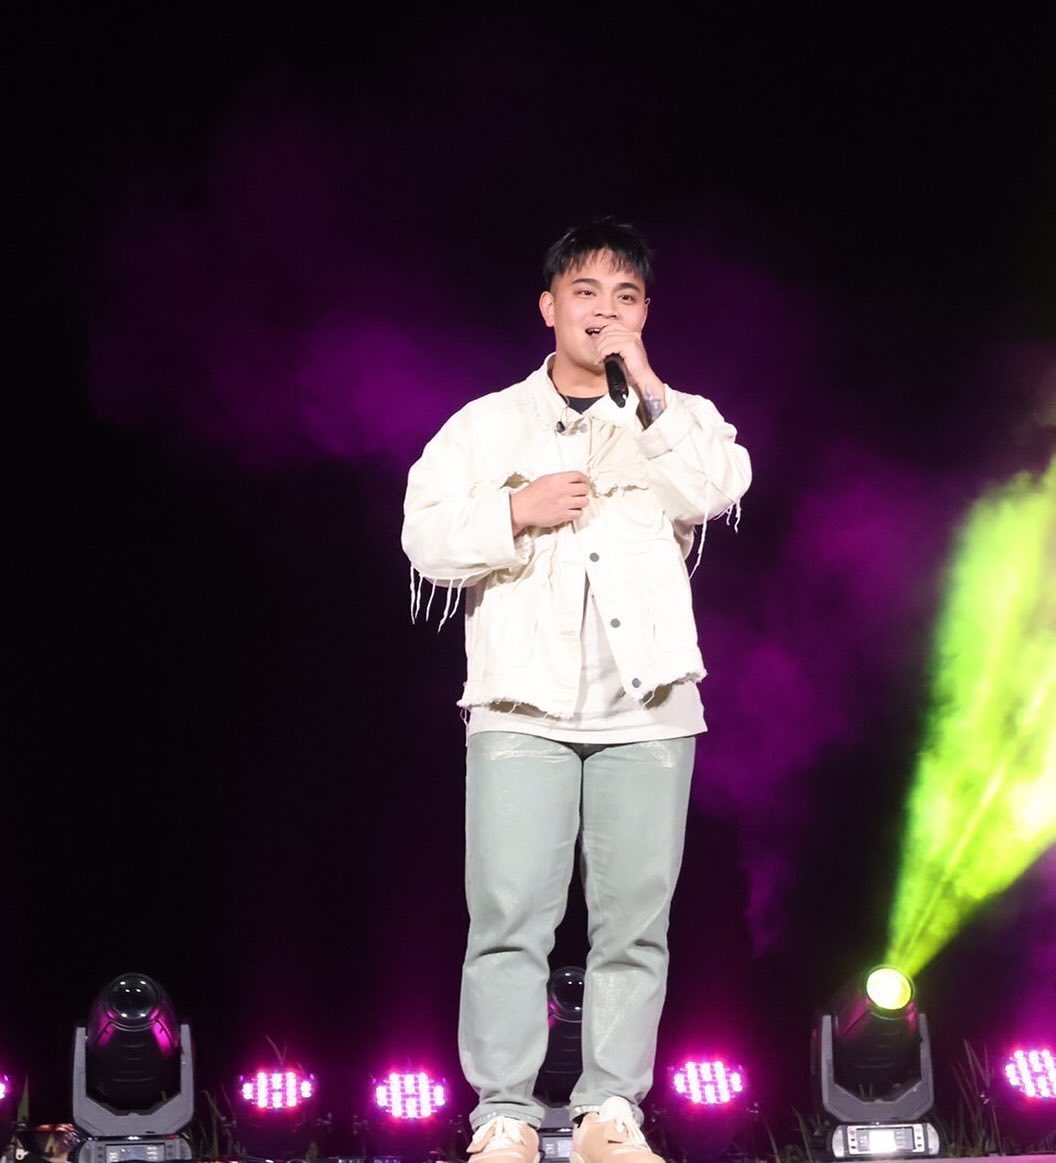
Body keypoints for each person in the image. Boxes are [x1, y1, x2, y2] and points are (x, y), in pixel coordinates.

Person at [401, 218, 751, 1163]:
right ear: (549, 307)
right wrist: (515, 509)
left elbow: (716, 486)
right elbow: (423, 535)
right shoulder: (486, 425)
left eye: (625, 297)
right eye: (586, 292)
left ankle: (609, 1113)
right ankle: (504, 1115)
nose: (604, 311)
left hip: (649, 707)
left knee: (635, 924)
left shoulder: (677, 416)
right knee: (509, 918)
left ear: (644, 315)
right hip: (522, 704)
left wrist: (649, 386)